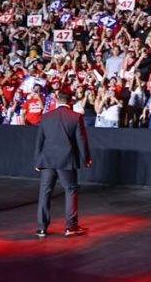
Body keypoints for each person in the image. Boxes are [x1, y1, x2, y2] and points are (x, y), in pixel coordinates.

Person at [33, 90, 92, 238]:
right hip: (66, 161)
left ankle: (41, 228)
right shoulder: (76, 117)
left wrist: (37, 161)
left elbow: (39, 141)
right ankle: (70, 227)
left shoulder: (46, 117)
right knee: (71, 190)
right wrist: (86, 159)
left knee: (45, 192)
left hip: (47, 160)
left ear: (57, 101)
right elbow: (81, 140)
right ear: (70, 102)